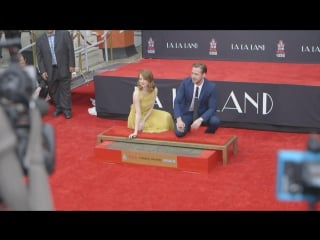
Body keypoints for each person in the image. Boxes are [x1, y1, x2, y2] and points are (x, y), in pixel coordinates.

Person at [173, 62, 220, 137]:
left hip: (202, 113)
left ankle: (208, 134)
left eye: (196, 74)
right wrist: (179, 119)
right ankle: (187, 126)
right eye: (192, 73)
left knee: (215, 121)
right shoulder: (185, 83)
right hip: (187, 113)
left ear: (203, 75)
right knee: (179, 133)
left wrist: (200, 119)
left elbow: (212, 108)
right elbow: (177, 102)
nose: (193, 76)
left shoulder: (211, 87)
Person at [36, 30, 75, 119]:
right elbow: (39, 57)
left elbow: (70, 49)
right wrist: (42, 71)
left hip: (64, 66)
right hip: (49, 69)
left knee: (65, 89)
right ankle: (58, 107)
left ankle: (67, 109)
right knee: (53, 90)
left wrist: (72, 65)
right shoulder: (39, 39)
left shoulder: (64, 34)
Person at [127, 69, 174, 139]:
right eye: (140, 79)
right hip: (137, 117)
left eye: (144, 79)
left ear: (149, 80)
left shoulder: (155, 90)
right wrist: (135, 132)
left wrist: (144, 120)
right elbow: (138, 113)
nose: (141, 81)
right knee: (162, 125)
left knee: (167, 116)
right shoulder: (136, 94)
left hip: (148, 113)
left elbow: (151, 107)